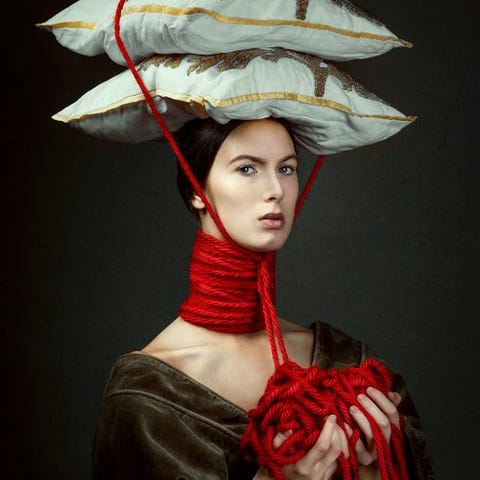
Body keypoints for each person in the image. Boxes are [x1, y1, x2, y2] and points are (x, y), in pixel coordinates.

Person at [91, 117, 435, 479]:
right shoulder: (148, 394)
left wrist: (375, 467)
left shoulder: (348, 361)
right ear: (196, 190)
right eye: (247, 168)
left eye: (286, 168)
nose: (276, 190)